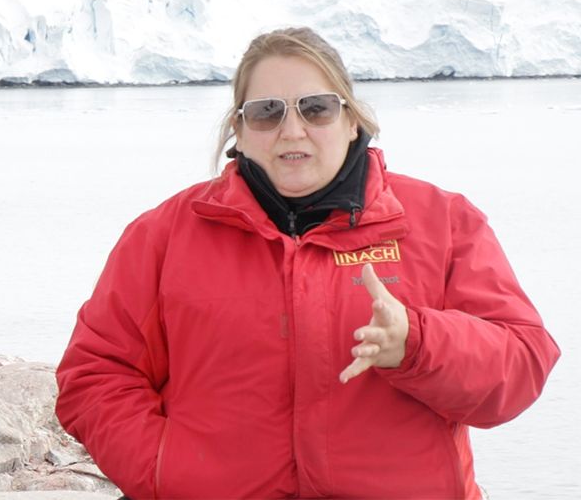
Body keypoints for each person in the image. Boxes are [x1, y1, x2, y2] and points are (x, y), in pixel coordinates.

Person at [54, 26, 560, 499]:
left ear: (351, 119)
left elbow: (521, 367)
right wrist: (167, 473)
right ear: (239, 128)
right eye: (267, 112)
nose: (292, 130)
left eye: (316, 109)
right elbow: (96, 373)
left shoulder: (441, 222)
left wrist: (417, 343)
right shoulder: (165, 236)